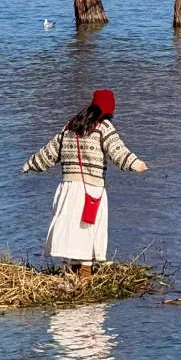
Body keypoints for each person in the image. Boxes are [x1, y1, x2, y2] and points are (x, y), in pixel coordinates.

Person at [22, 88, 147, 279]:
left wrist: (31, 164)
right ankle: (86, 275)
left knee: (71, 230)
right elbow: (118, 151)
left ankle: (71, 273)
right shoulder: (103, 127)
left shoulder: (70, 126)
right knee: (89, 231)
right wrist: (136, 164)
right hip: (92, 189)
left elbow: (49, 152)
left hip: (68, 188)